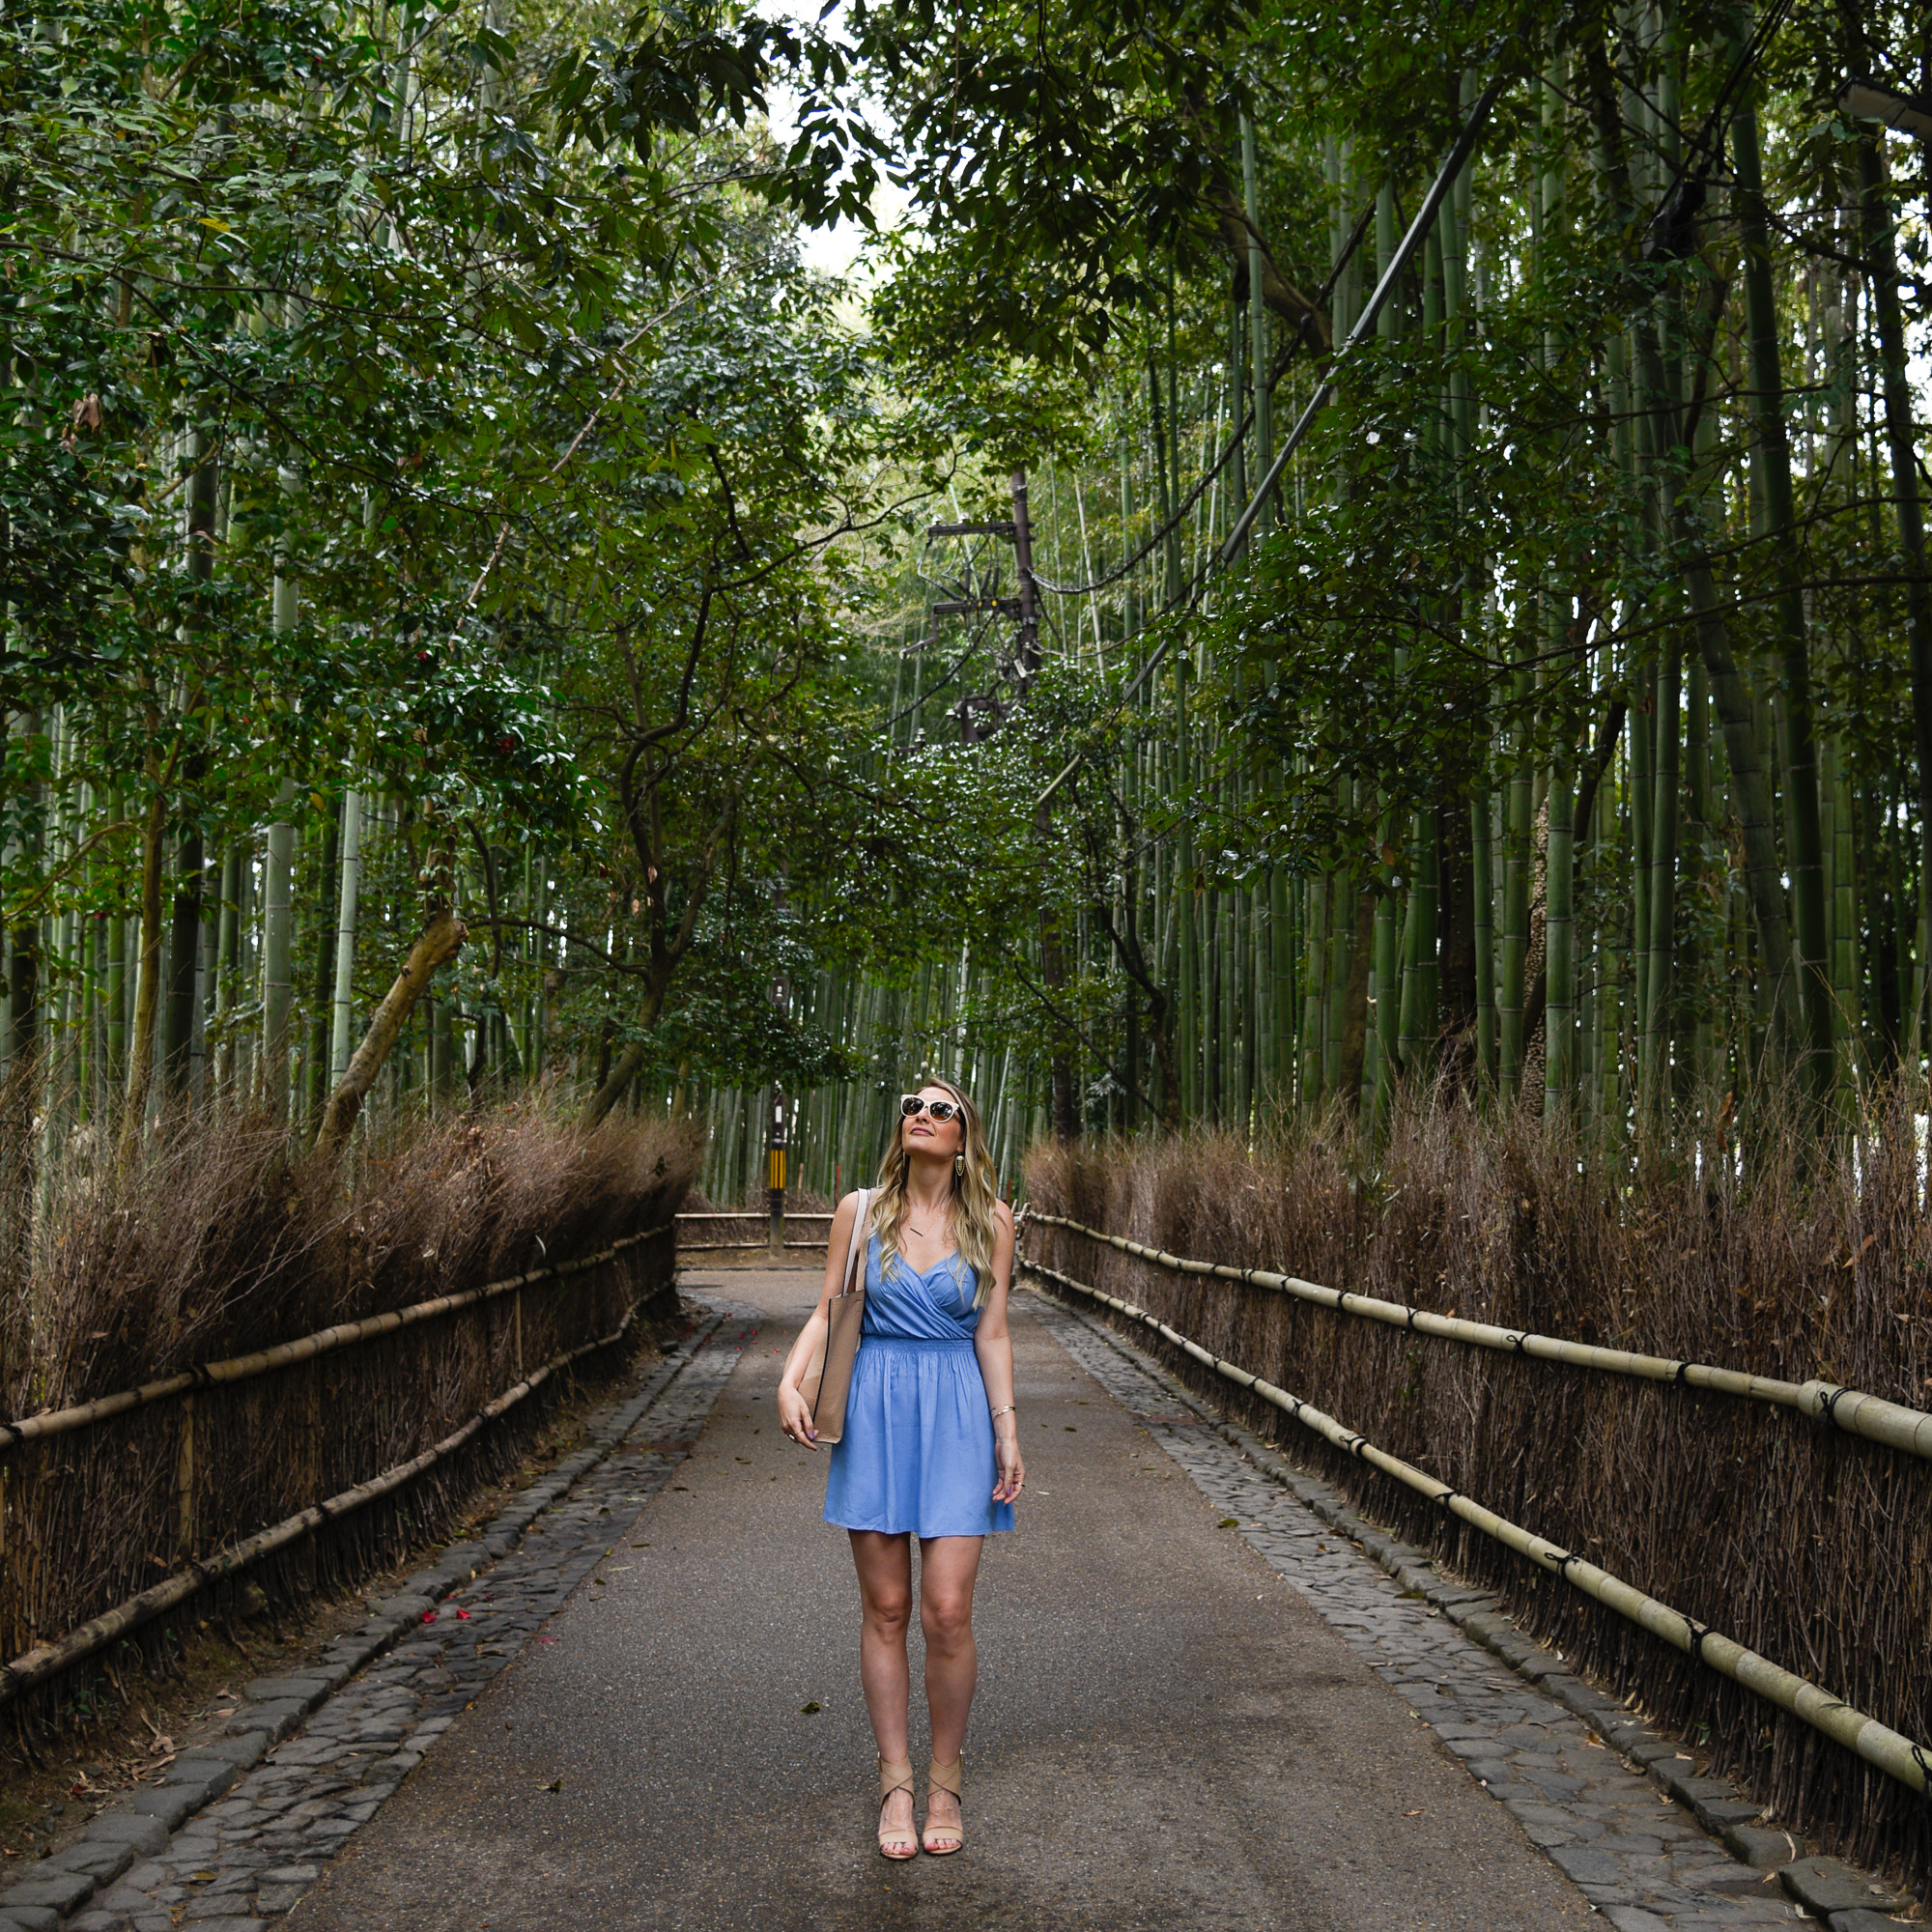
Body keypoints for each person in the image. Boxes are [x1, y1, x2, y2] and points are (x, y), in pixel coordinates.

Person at [776, 1078, 1024, 1860]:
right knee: (886, 1607)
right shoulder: (861, 1211)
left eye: (941, 1109)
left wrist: (1007, 1430)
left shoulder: (992, 1221)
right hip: (878, 1406)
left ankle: (946, 1778)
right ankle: (897, 1782)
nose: (922, 1115)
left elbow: (992, 1333)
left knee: (946, 1610)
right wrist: (789, 1378)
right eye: (913, 1107)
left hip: (955, 1410)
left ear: (965, 1134)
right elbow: (829, 1310)